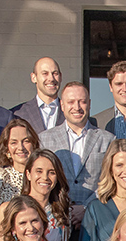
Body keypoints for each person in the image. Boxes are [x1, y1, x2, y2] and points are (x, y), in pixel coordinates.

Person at [40, 81, 115, 222]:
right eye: (71, 102)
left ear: (90, 104)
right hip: (55, 217)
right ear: (62, 105)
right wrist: (61, 208)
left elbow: (110, 180)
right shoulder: (44, 139)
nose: (77, 107)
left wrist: (86, 208)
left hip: (95, 218)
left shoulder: (108, 139)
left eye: (82, 102)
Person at [0, 149, 70, 241]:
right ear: (28, 174)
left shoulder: (60, 211)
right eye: (39, 171)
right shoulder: (7, 209)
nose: (45, 177)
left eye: (52, 172)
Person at [0, 118, 40, 239]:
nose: (21, 147)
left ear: (34, 144)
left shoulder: (42, 176)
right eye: (14, 142)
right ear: (7, 148)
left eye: (26, 141)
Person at [11, 57, 63, 134]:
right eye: (45, 73)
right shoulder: (17, 114)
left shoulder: (71, 112)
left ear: (60, 77)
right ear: (34, 77)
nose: (51, 78)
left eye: (55, 73)